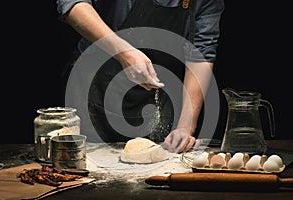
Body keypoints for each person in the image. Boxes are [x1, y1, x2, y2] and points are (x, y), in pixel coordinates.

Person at [56, 0, 224, 153]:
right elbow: (72, 5)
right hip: (94, 90)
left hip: (155, 100)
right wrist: (124, 53)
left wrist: (186, 127)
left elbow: (200, 54)